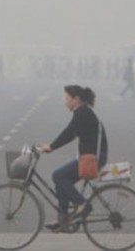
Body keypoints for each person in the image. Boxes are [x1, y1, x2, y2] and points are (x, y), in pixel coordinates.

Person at [38, 86, 108, 231]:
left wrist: (51, 147)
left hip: (92, 159)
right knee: (61, 178)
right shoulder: (83, 112)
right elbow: (70, 132)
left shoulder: (82, 113)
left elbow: (69, 133)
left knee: (58, 176)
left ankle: (82, 204)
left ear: (76, 99)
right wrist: (51, 146)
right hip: (90, 156)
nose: (65, 102)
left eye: (67, 99)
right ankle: (63, 218)